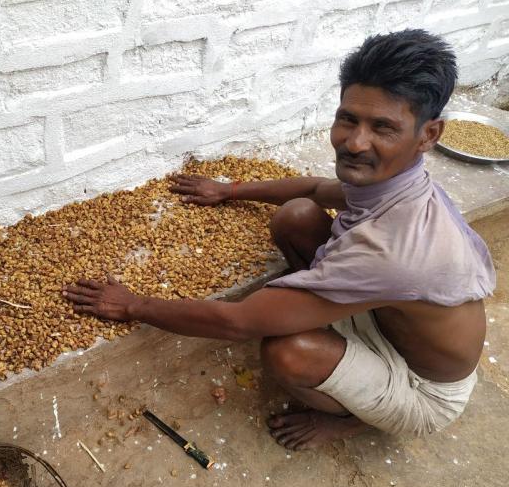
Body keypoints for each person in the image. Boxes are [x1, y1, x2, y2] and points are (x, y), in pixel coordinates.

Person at [62, 29, 496, 450]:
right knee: (297, 217)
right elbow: (311, 190)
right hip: (385, 315)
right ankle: (322, 323)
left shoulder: (395, 248)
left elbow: (239, 322)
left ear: (428, 135)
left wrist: (134, 305)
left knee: (288, 350)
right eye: (348, 119)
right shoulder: (393, 182)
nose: (355, 142)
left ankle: (350, 421)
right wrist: (228, 190)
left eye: (382, 128)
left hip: (423, 390)